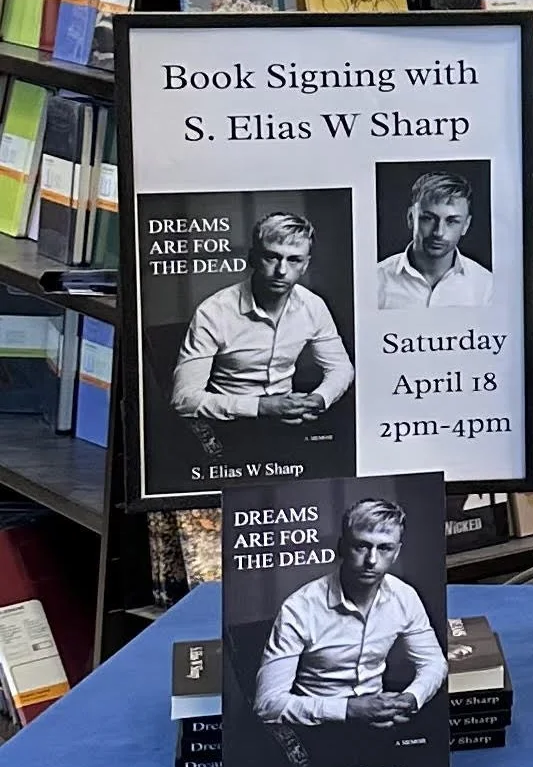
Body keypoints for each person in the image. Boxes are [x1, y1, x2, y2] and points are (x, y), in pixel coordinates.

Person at [253, 495, 444, 730]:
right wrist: (350, 709)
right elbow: (267, 704)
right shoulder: (299, 608)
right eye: (361, 546)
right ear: (342, 547)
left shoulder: (404, 596)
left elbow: (434, 663)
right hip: (316, 730)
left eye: (384, 548)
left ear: (396, 553)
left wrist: (410, 699)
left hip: (381, 723)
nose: (372, 560)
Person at [171, 210, 353, 440]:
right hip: (228, 425)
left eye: (294, 259)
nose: (282, 271)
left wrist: (317, 399)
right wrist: (262, 407)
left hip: (290, 421)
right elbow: (184, 399)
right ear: (253, 258)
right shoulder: (214, 311)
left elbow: (341, 368)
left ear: (305, 265)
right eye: (272, 257)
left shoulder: (313, 306)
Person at [374, 172, 492, 312]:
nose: (439, 232)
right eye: (428, 218)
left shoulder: (487, 286)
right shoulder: (375, 281)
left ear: (465, 225)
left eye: (452, 221)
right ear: (411, 218)